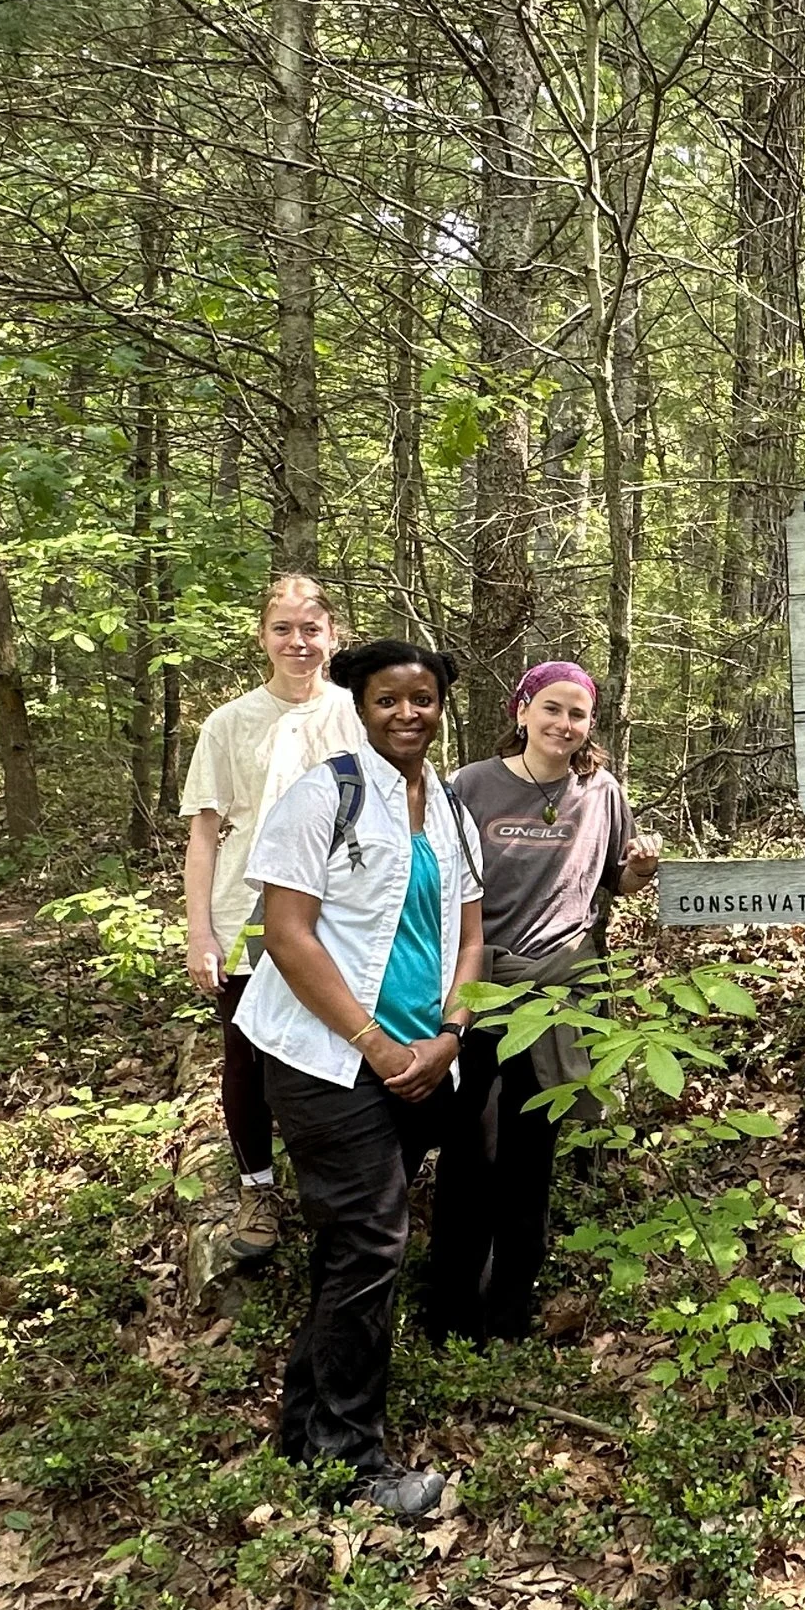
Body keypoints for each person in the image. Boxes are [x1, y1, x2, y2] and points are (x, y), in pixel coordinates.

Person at [236, 639, 486, 1517]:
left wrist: (451, 1032)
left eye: (423, 699)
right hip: (325, 1061)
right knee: (377, 1240)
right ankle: (350, 1461)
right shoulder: (323, 796)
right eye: (388, 699)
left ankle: (305, 1430)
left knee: (354, 1247)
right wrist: (377, 1044)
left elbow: (471, 932)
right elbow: (288, 935)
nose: (408, 714)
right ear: (361, 704)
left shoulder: (448, 806)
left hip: (423, 1057)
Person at [430, 662, 662, 1346]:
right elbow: (435, 878)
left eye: (579, 714)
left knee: (533, 1154)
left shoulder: (600, 790)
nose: (565, 724)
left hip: (563, 992)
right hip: (478, 986)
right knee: (468, 1151)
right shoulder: (471, 784)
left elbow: (617, 878)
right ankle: (448, 1310)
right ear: (523, 709)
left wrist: (640, 871)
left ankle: (507, 1317)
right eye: (552, 708)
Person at [180, 576, 365, 1262]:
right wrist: (201, 931)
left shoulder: (359, 714)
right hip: (247, 912)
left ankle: (338, 1184)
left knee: (342, 1045)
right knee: (249, 1055)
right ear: (262, 636)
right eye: (283, 628)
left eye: (311, 629)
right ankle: (258, 1186)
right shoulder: (228, 724)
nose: (298, 642)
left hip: (343, 914)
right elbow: (204, 834)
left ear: (333, 636)